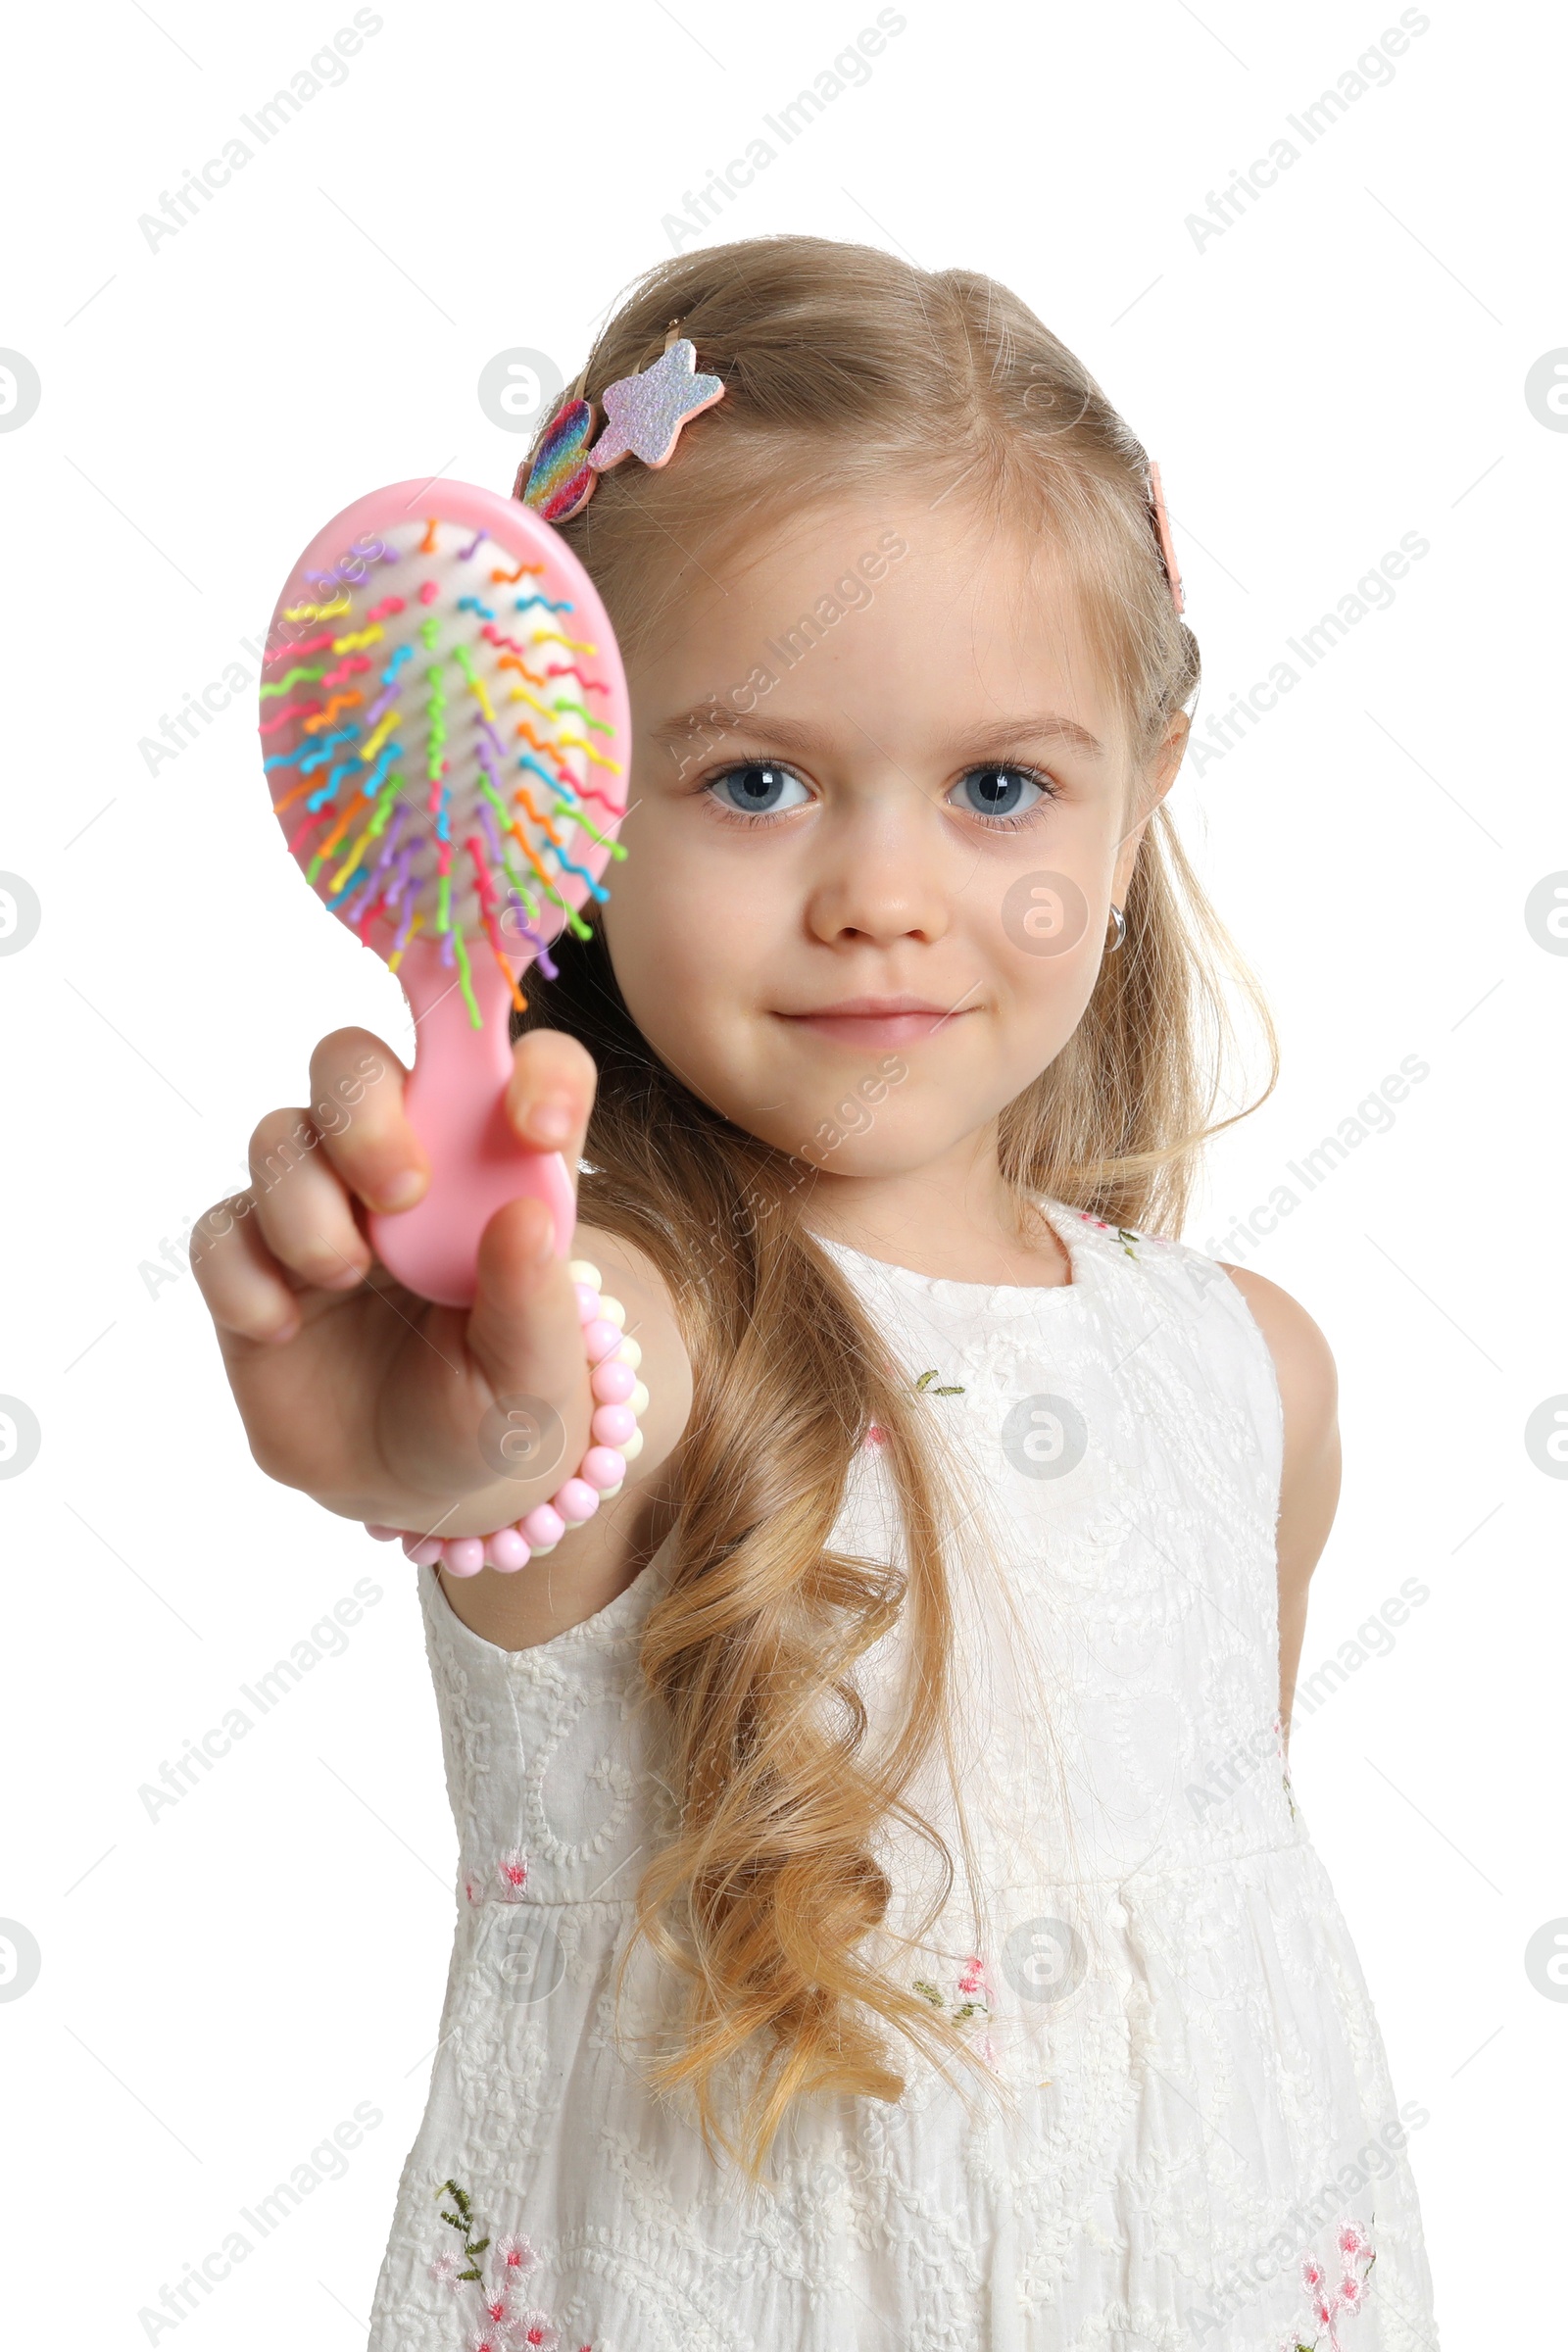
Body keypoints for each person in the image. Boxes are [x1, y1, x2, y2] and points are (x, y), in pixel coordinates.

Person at [195, 235, 1440, 2350]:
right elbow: (532, 1435)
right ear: (570, 814)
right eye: (755, 781)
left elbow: (1220, 1952)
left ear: (1141, 789)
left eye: (995, 787)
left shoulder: (1252, 1376)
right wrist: (457, 1441)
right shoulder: (629, 1327)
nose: (879, 896)